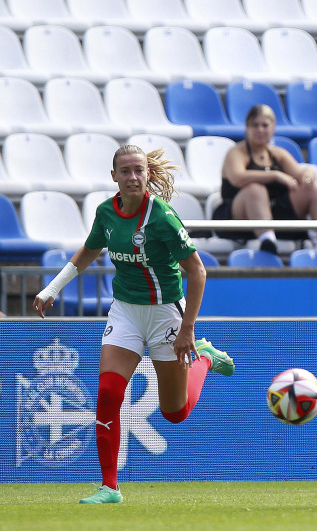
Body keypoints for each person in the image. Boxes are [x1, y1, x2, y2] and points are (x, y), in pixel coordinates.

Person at [33, 144, 233, 504]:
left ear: (148, 175)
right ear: (114, 177)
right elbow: (89, 251)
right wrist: (51, 289)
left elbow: (198, 271)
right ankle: (110, 488)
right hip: (125, 311)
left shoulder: (163, 217)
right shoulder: (106, 213)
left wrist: (187, 331)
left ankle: (203, 358)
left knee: (175, 413)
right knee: (109, 393)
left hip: (165, 314)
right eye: (125, 171)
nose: (133, 177)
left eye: (139, 170)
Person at [213, 104, 317, 261]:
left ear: (273, 127)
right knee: (255, 190)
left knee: (314, 189)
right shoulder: (236, 152)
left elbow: (303, 172)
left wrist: (307, 177)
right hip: (238, 216)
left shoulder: (278, 154)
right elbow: (238, 178)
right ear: (247, 127)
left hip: (273, 213)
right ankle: (268, 241)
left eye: (265, 125)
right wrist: (275, 175)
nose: (260, 130)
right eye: (255, 125)